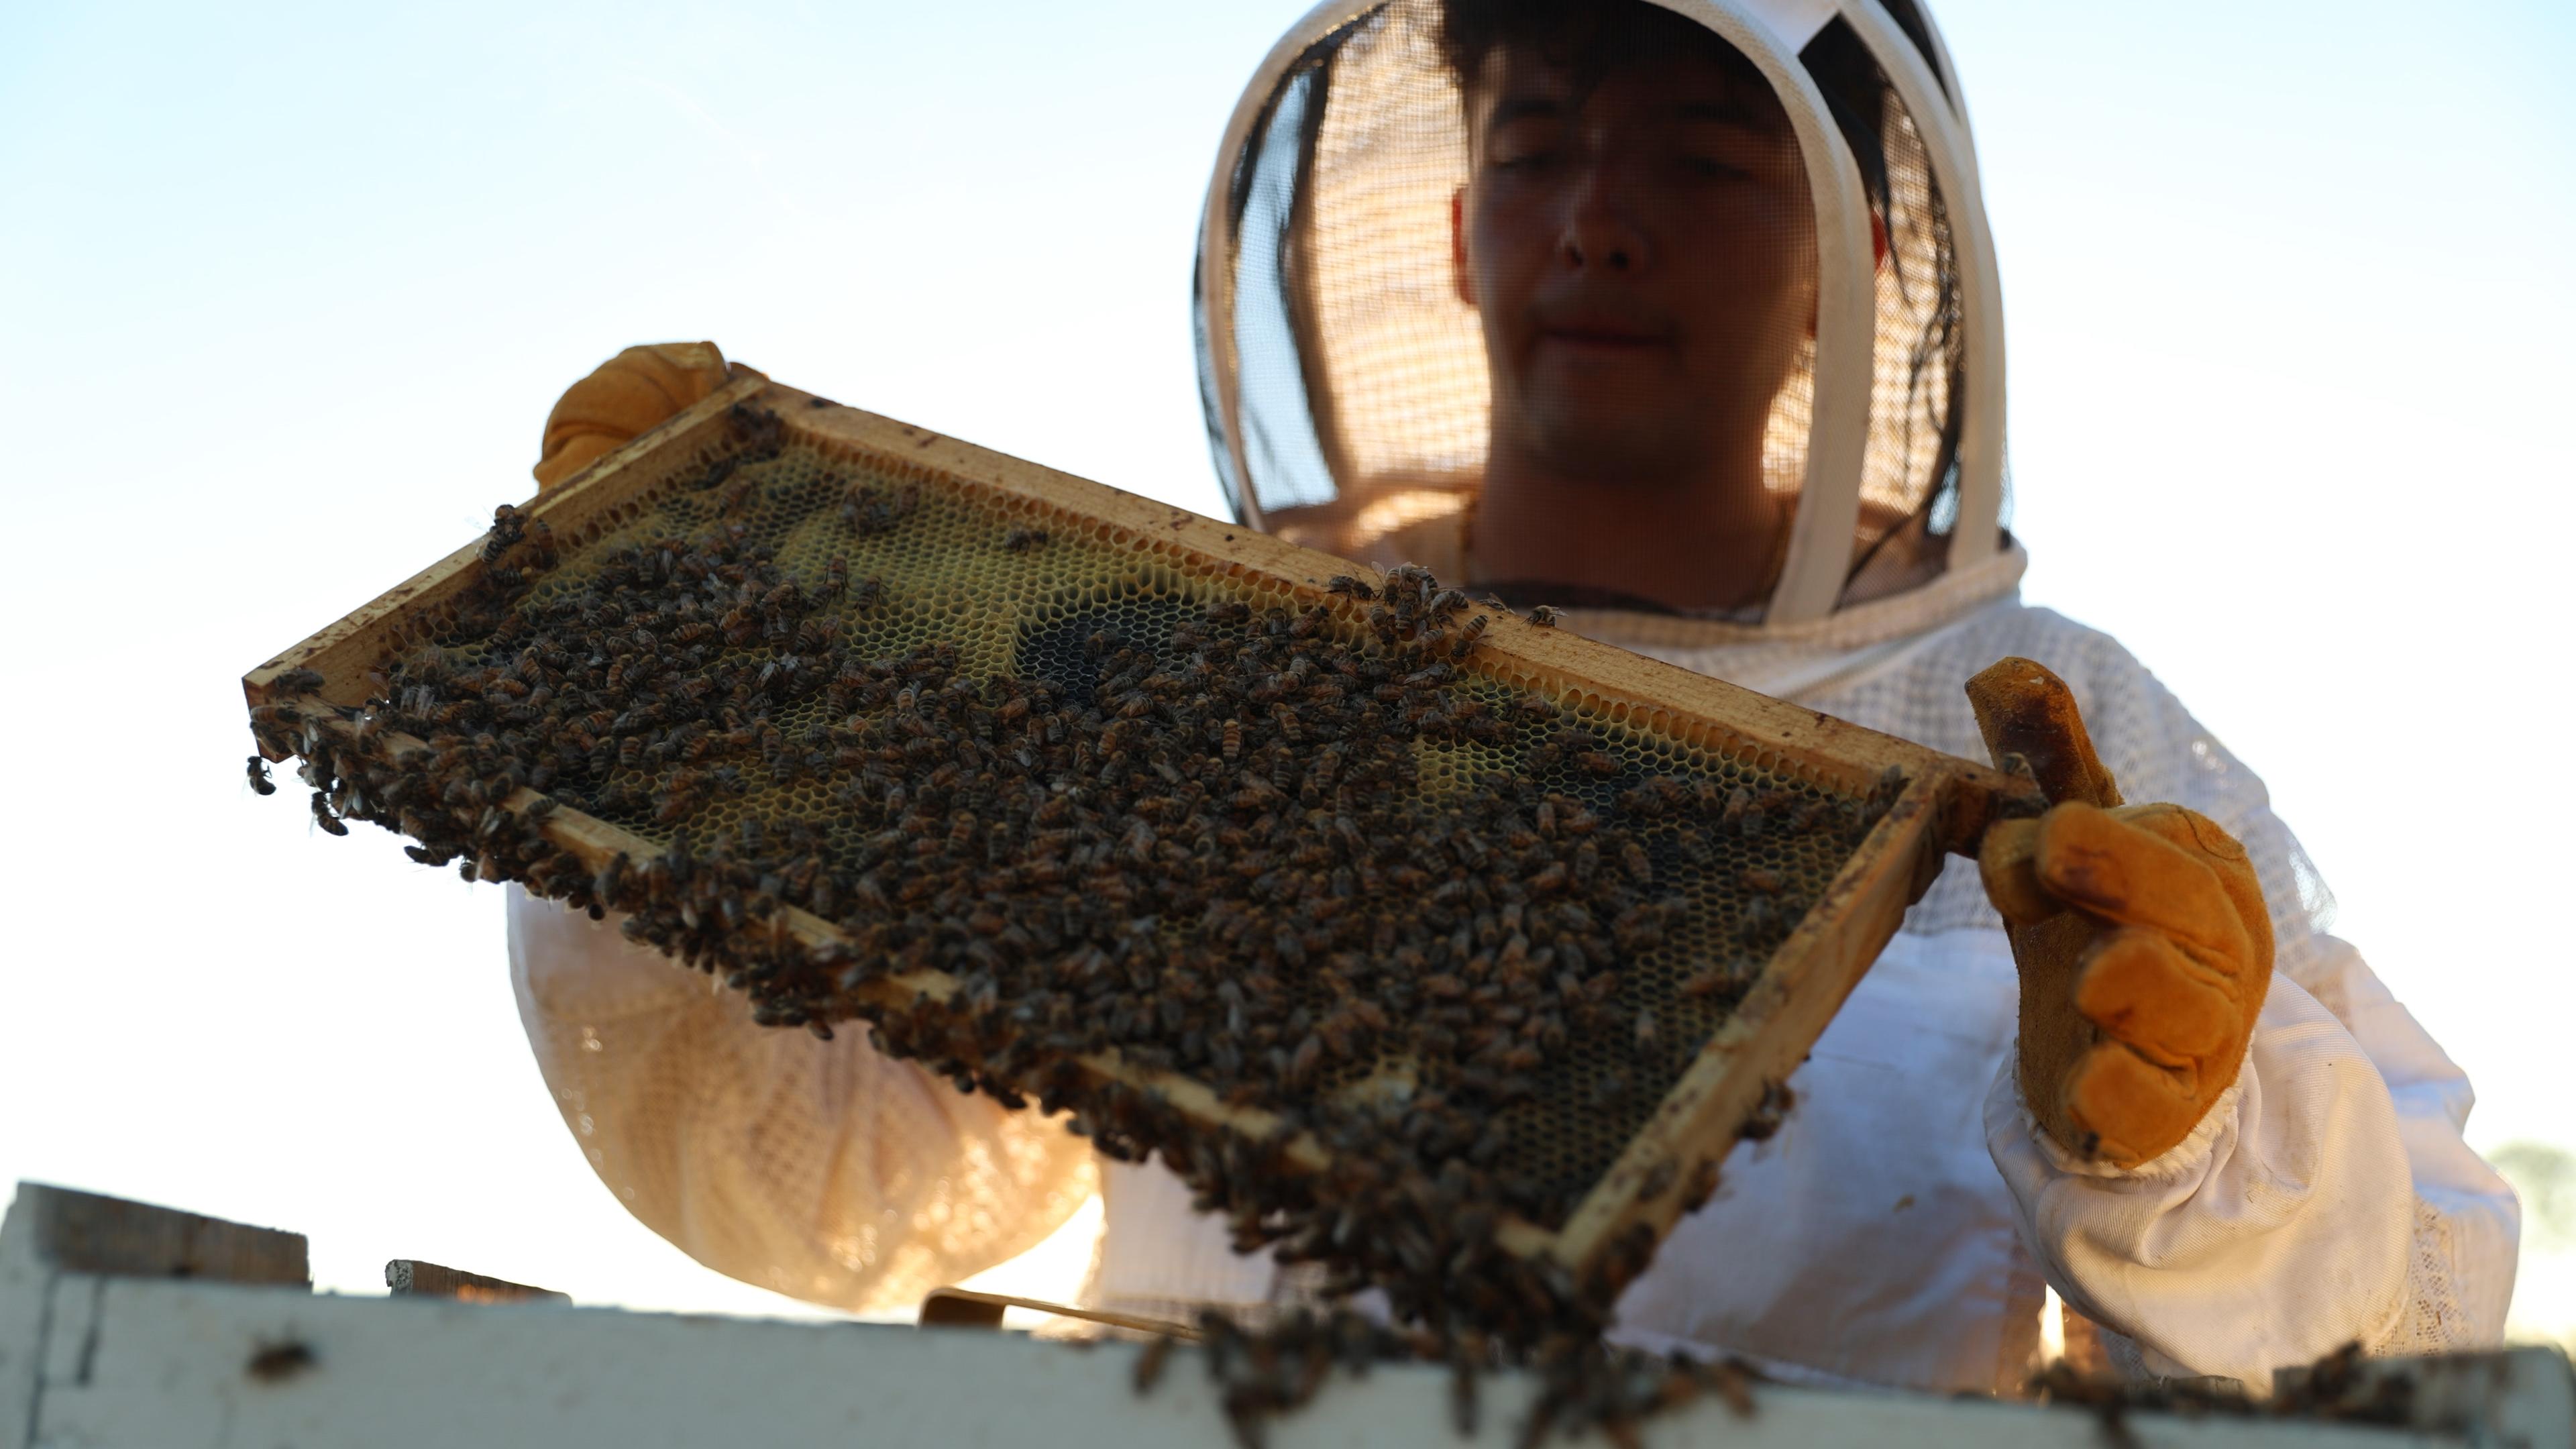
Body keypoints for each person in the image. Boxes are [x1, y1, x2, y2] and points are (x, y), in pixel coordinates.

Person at [508, 0, 2518, 1397]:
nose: (1599, 220)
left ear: (1853, 253)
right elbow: (828, 1194)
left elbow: (2402, 1343)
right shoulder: (1188, 665)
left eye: (1704, 160)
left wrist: (2195, 1159)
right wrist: (657, 706)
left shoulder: (2057, 724)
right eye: (1535, 144)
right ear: (1457, 232)